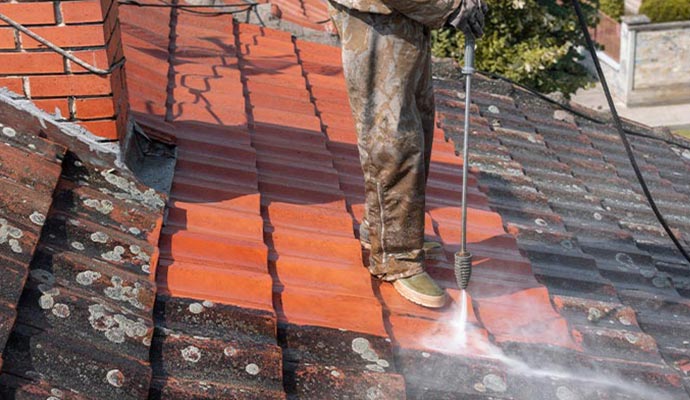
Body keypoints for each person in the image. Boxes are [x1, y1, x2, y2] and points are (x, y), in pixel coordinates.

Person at [328, 0, 488, 308]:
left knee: (418, 121)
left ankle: (384, 230)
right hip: (377, 13)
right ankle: (396, 256)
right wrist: (449, 8)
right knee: (394, 135)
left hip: (405, 13)